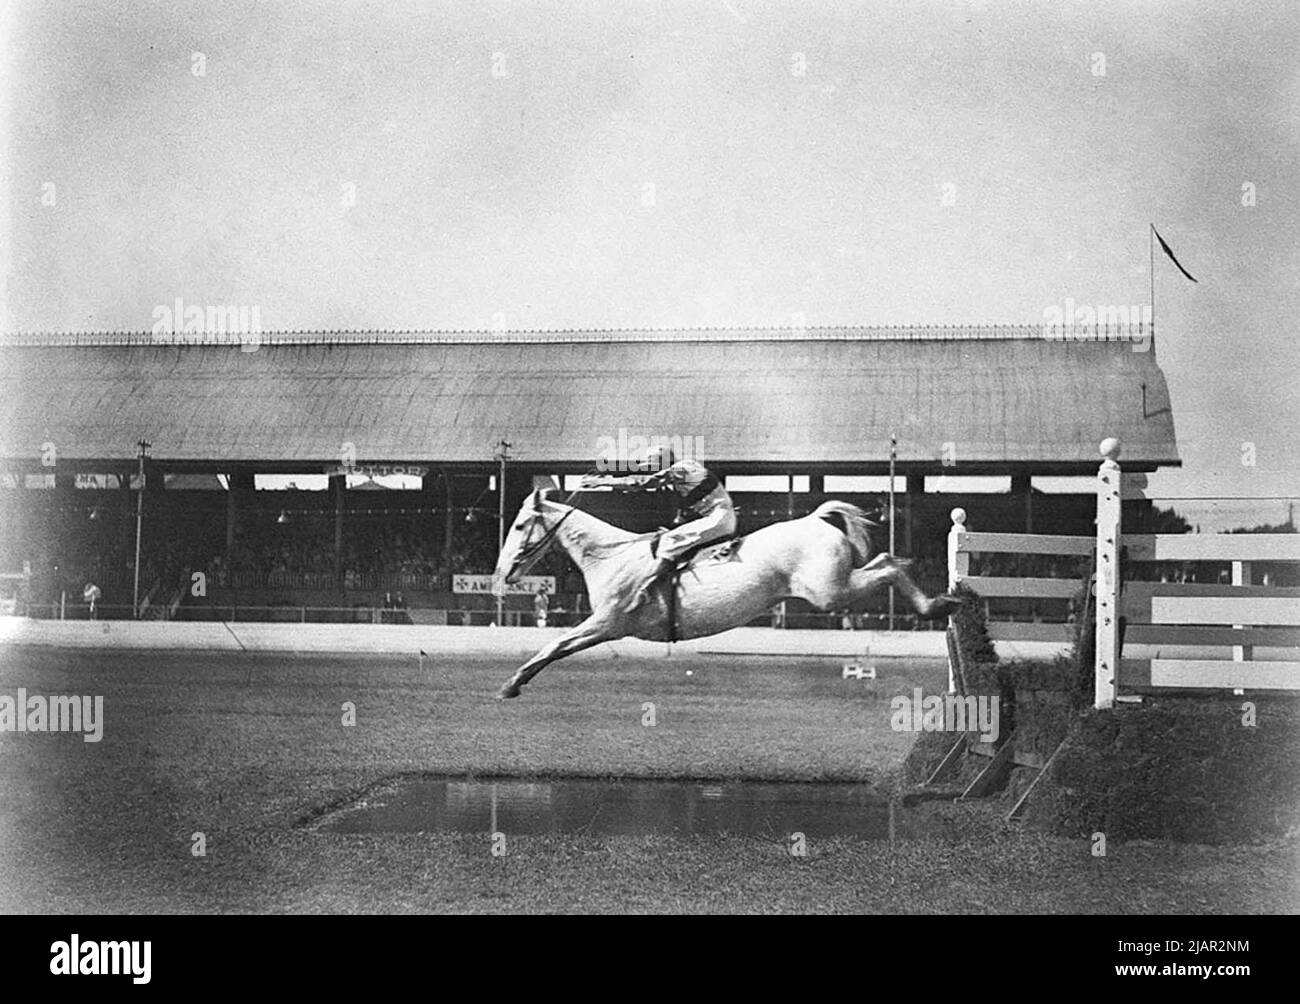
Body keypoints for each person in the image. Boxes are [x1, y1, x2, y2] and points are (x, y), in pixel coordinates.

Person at [601, 444, 736, 610]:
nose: (650, 467)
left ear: (663, 461)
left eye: (653, 463)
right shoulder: (683, 479)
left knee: (670, 540)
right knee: (666, 537)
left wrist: (606, 479)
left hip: (717, 519)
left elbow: (642, 481)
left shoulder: (682, 468)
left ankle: (647, 589)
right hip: (717, 518)